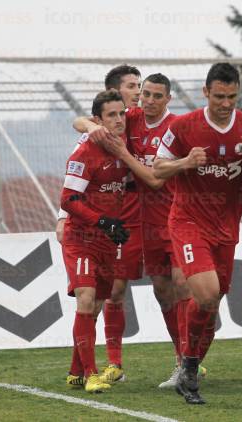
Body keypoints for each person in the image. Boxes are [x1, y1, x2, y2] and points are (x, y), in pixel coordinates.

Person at [153, 62, 242, 404]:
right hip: (188, 223)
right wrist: (184, 163)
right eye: (219, 96)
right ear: (206, 93)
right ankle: (188, 370)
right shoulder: (184, 127)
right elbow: (158, 168)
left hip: (226, 228)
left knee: (212, 304)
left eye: (231, 96)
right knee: (206, 294)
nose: (225, 103)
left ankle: (188, 367)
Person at [88, 73, 200, 388]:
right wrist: (91, 126)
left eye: (155, 95)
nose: (147, 100)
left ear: (168, 99)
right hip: (145, 221)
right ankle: (175, 359)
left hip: (179, 217)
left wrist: (125, 155)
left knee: (182, 286)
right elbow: (82, 121)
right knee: (161, 290)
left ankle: (189, 358)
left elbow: (155, 179)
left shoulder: (178, 127)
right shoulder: (132, 119)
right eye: (145, 94)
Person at [68, 64, 156, 384]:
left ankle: (185, 360)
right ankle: (110, 364)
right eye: (133, 86)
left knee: (170, 285)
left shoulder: (141, 117)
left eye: (140, 86)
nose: (139, 92)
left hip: (150, 213)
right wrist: (65, 217)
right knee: (108, 293)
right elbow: (80, 124)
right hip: (117, 217)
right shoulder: (104, 127)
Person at [60, 89, 130, 393]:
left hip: (106, 241)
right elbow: (68, 199)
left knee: (97, 305)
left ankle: (75, 370)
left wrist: (116, 226)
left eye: (121, 114)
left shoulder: (123, 148)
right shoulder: (85, 152)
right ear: (97, 120)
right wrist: (102, 221)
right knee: (86, 299)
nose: (118, 120)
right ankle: (91, 374)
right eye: (111, 115)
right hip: (82, 238)